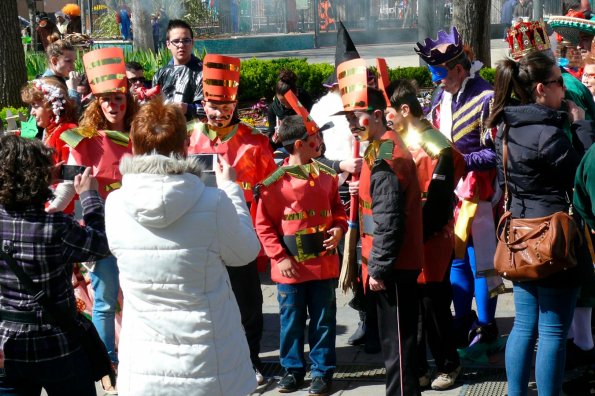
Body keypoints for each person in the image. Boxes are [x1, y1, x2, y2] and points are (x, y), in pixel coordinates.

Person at [104, 98, 259, 396]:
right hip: (208, 359)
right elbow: (245, 253)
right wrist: (231, 189)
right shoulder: (213, 201)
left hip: (145, 361)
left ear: (134, 146)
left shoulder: (115, 204)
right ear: (185, 146)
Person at [488, 50, 594, 396]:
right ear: (539, 89)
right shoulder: (547, 134)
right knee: (551, 332)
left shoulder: (508, 127)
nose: (564, 90)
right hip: (553, 239)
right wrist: (580, 124)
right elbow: (581, 174)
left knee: (523, 325)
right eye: (558, 83)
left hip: (519, 236)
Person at [48, 47, 138, 394]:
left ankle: (133, 354)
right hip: (100, 233)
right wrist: (56, 207)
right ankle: (108, 361)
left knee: (135, 297)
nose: (114, 105)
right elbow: (69, 183)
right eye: (107, 100)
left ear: (127, 100)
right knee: (104, 298)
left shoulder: (141, 137)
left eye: (119, 98)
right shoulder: (83, 142)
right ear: (97, 104)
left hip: (138, 232)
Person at [187, 54, 277, 385]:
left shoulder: (255, 142)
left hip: (240, 231)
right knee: (206, 304)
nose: (217, 111)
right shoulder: (188, 139)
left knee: (249, 303)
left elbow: (270, 192)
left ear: (235, 103)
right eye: (212, 103)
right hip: (200, 233)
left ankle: (252, 358)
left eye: (225, 104)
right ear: (203, 102)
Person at [337, 58, 424, 396]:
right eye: (347, 120)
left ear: (376, 116)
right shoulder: (380, 147)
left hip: (393, 266)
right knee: (395, 346)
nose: (351, 126)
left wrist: (378, 268)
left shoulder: (384, 154)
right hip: (389, 262)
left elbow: (389, 218)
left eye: (355, 118)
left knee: (398, 349)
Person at [0, 135, 111, 395]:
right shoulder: (55, 227)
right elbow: (100, 245)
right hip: (58, 344)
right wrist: (90, 197)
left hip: (7, 344)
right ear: (37, 176)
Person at [415, 26, 502, 348]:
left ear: (460, 68)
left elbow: (494, 152)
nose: (437, 80)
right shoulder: (440, 97)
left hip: (478, 192)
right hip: (447, 191)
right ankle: (461, 321)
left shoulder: (486, 99)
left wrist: (459, 159)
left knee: (481, 261)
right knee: (455, 259)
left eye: (441, 73)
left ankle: (486, 325)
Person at [254, 114, 347, 395]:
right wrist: (279, 257)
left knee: (323, 320)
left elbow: (339, 213)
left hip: (323, 264)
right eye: (313, 139)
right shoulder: (274, 184)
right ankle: (292, 370)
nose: (319, 142)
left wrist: (340, 230)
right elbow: (263, 225)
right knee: (291, 321)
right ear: (299, 144)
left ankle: (322, 371)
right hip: (290, 267)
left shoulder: (328, 177)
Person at [385, 78, 463, 391]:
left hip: (430, 240)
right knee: (410, 307)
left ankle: (449, 363)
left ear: (405, 109)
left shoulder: (437, 145)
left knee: (434, 306)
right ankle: (416, 368)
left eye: (393, 110)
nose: (389, 116)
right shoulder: (393, 141)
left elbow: (442, 197)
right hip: (405, 238)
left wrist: (419, 233)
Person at [21, 77, 79, 214]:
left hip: (64, 210)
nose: (32, 112)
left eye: (36, 106)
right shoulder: (50, 130)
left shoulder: (69, 131)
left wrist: (51, 210)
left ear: (52, 104)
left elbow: (70, 178)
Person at [152, 19, 204, 121]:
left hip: (195, 134)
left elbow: (213, 110)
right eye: (176, 41)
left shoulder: (203, 73)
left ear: (192, 42)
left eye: (186, 40)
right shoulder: (160, 74)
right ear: (168, 44)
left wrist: (188, 109)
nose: (181, 45)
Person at [266, 69, 313, 148]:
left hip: (305, 144)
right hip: (284, 146)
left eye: (289, 102)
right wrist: (274, 138)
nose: (286, 106)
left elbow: (313, 124)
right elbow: (271, 132)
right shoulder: (274, 108)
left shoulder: (305, 101)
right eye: (282, 102)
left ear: (296, 93)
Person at [41, 35, 81, 109]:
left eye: (73, 61)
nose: (73, 66)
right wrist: (73, 89)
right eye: (68, 61)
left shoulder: (61, 78)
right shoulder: (47, 85)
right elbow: (70, 112)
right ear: (54, 61)